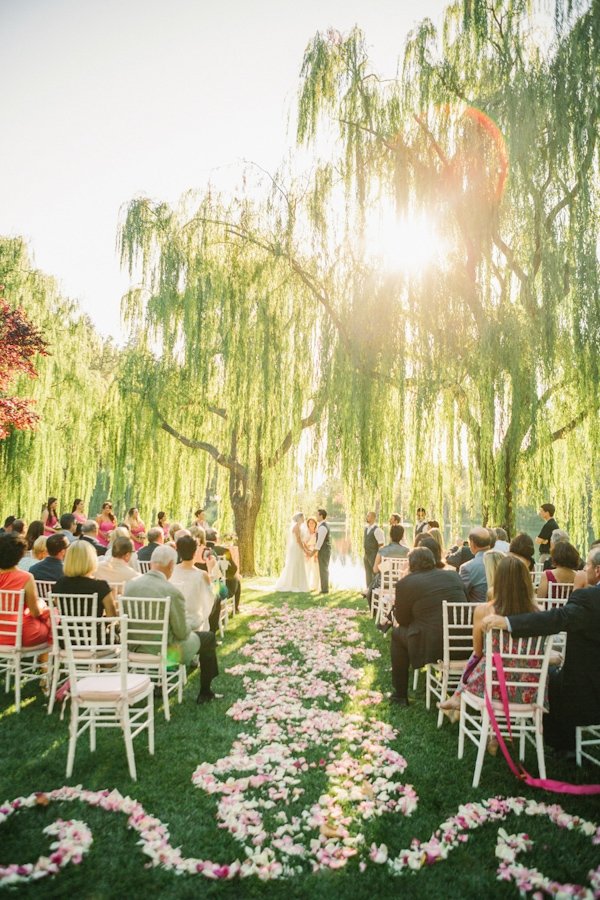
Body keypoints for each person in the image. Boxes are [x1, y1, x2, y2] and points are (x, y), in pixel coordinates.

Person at [482, 546, 600, 751]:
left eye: (588, 565)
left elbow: (557, 618)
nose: (584, 569)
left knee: (549, 678)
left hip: (589, 692)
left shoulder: (589, 599)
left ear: (597, 570)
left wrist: (508, 622)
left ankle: (562, 744)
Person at [439, 555, 541, 720]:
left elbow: (478, 651)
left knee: (484, 659)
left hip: (491, 686)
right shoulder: (539, 613)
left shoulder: (484, 610)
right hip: (529, 689)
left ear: (498, 580)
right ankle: (492, 733)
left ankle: (458, 696)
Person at [123, 545, 219, 703]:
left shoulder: (130, 585)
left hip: (135, 648)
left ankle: (158, 683)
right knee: (208, 638)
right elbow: (181, 633)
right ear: (170, 566)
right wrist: (193, 622)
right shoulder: (171, 591)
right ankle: (205, 692)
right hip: (165, 652)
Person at [390, 547, 467, 706]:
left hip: (433, 646)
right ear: (433, 561)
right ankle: (453, 684)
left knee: (397, 635)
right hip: (465, 643)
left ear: (411, 565)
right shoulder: (454, 576)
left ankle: (400, 695)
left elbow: (402, 620)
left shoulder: (406, 583)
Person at [0, 533, 51, 648]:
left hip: (2, 633)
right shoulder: (26, 577)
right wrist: (42, 605)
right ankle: (45, 665)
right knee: (51, 622)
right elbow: (35, 612)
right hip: (20, 633)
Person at [52, 540, 117, 617]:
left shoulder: (60, 584)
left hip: (66, 628)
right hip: (94, 628)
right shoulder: (100, 586)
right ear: (92, 560)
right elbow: (112, 618)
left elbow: (59, 608)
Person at [172, 535, 219, 633]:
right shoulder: (201, 574)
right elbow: (211, 595)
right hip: (194, 621)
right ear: (195, 552)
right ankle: (212, 633)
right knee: (216, 597)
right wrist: (211, 569)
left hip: (174, 619)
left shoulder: (171, 571)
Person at [367, 524, 409, 610]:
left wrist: (387, 566)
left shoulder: (383, 550)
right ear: (402, 536)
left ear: (390, 535)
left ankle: (375, 609)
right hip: (401, 583)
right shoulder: (407, 551)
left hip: (384, 583)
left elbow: (375, 570)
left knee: (372, 586)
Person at [275, 513, 310, 593]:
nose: (304, 518)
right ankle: (293, 584)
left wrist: (305, 548)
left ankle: (297, 583)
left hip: (297, 548)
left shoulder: (299, 526)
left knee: (298, 564)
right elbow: (298, 540)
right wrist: (304, 550)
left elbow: (302, 540)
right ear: (299, 518)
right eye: (302, 517)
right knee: (295, 564)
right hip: (296, 548)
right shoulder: (296, 527)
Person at [458, 527, 492, 601]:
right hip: (502, 611)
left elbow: (460, 594)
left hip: (478, 611)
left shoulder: (467, 568)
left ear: (472, 543)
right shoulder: (502, 561)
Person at [363, 511, 384, 591]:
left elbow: (381, 545)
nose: (367, 517)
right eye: (367, 516)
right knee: (367, 573)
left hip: (374, 555)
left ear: (373, 518)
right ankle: (368, 590)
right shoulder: (366, 528)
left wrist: (378, 558)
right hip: (366, 555)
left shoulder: (378, 530)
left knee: (375, 574)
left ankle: (376, 590)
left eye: (368, 516)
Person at [314, 508, 332, 594]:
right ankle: (324, 588)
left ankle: (325, 590)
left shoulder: (322, 527)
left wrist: (312, 553)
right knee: (323, 569)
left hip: (324, 551)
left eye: (317, 515)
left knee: (323, 569)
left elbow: (319, 543)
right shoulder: (323, 525)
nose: (316, 516)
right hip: (325, 550)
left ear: (321, 515)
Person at [302, 516, 320, 591]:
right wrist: (307, 552)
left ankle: (315, 586)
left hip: (315, 552)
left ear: (315, 524)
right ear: (308, 524)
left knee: (315, 569)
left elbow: (318, 544)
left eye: (313, 523)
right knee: (307, 569)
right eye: (310, 523)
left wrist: (316, 555)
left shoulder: (317, 533)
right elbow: (303, 543)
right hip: (307, 552)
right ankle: (306, 585)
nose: (311, 524)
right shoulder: (305, 533)